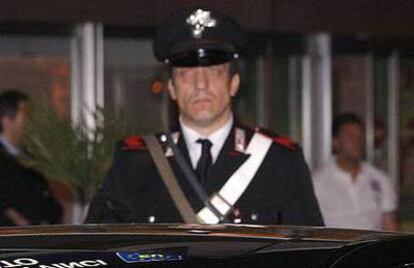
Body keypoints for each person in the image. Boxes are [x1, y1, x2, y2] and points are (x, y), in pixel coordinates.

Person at [85, 7, 323, 226]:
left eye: (213, 71)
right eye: (187, 73)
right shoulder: (135, 162)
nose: (201, 84)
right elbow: (102, 249)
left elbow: (307, 254)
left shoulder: (278, 160)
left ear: (233, 83)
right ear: (171, 89)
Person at [313, 113, 399, 231]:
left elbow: (390, 226)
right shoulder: (317, 181)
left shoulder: (379, 179)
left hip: (373, 249)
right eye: (350, 137)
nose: (357, 142)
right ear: (335, 142)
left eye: (360, 137)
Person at [0, 89, 62, 226]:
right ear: (7, 120)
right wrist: (16, 219)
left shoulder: (31, 156)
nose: (30, 121)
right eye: (26, 115)